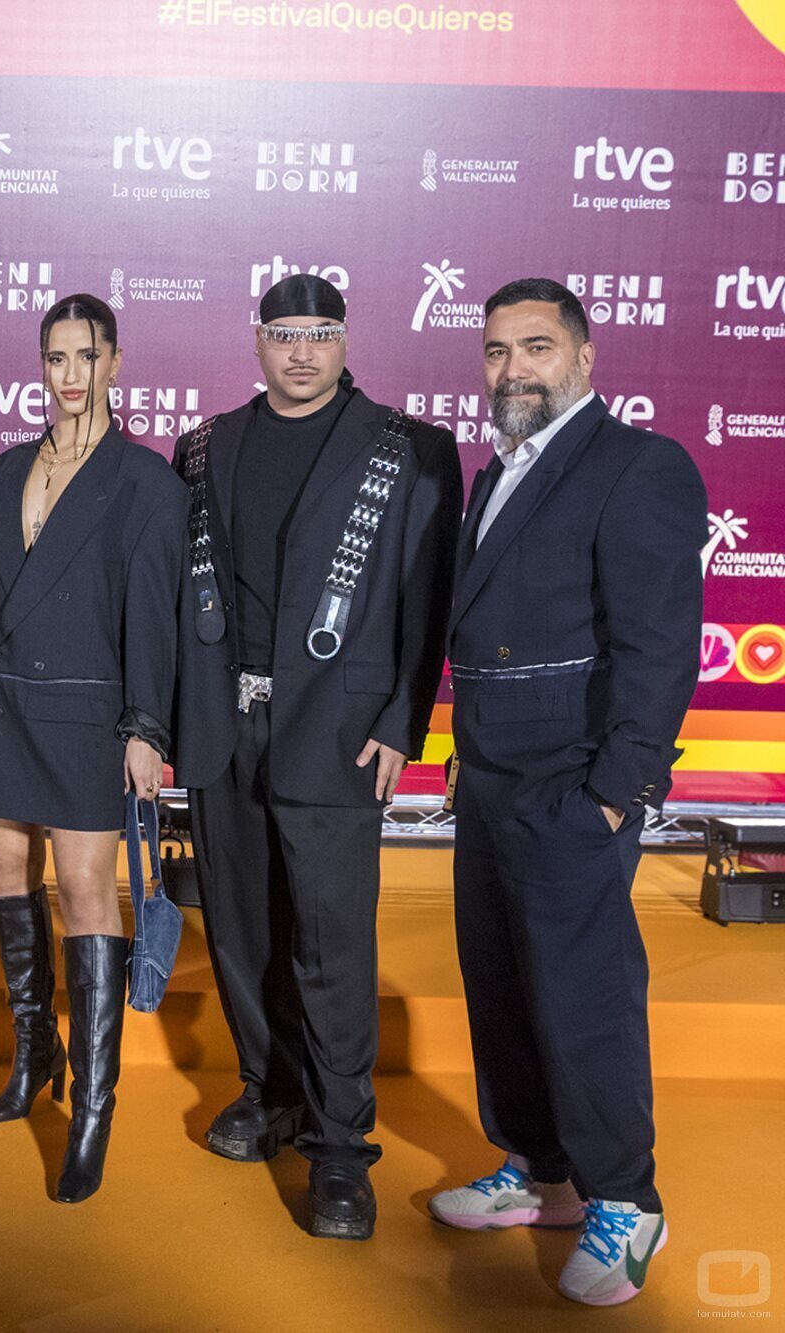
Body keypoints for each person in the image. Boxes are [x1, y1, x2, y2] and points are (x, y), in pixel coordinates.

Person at [428, 279, 703, 1307]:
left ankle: (624, 1199)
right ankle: (536, 1172)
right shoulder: (492, 470)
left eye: (535, 348)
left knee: (580, 996)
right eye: (495, 352)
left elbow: (656, 644)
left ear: (585, 357)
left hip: (570, 784)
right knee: (499, 985)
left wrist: (614, 789)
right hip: (491, 775)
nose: (512, 369)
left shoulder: (636, 465)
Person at [172, 274, 462, 1240]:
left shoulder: (412, 449)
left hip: (341, 733)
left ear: (345, 340)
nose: (302, 352)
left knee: (333, 943)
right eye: (285, 334)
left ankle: (340, 1148)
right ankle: (271, 1091)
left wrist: (404, 718)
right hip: (224, 726)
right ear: (256, 341)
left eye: (321, 334)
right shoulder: (204, 447)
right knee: (243, 931)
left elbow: (429, 603)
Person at [0, 293, 184, 1203]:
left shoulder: (148, 483)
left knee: (86, 886)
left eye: (87, 356)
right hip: (3, 701)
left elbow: (153, 618)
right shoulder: (4, 473)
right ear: (40, 365)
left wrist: (146, 729)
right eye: (56, 357)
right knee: (10, 873)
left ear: (115, 361)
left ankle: (93, 1106)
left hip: (91, 713)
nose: (71, 375)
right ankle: (32, 1055)